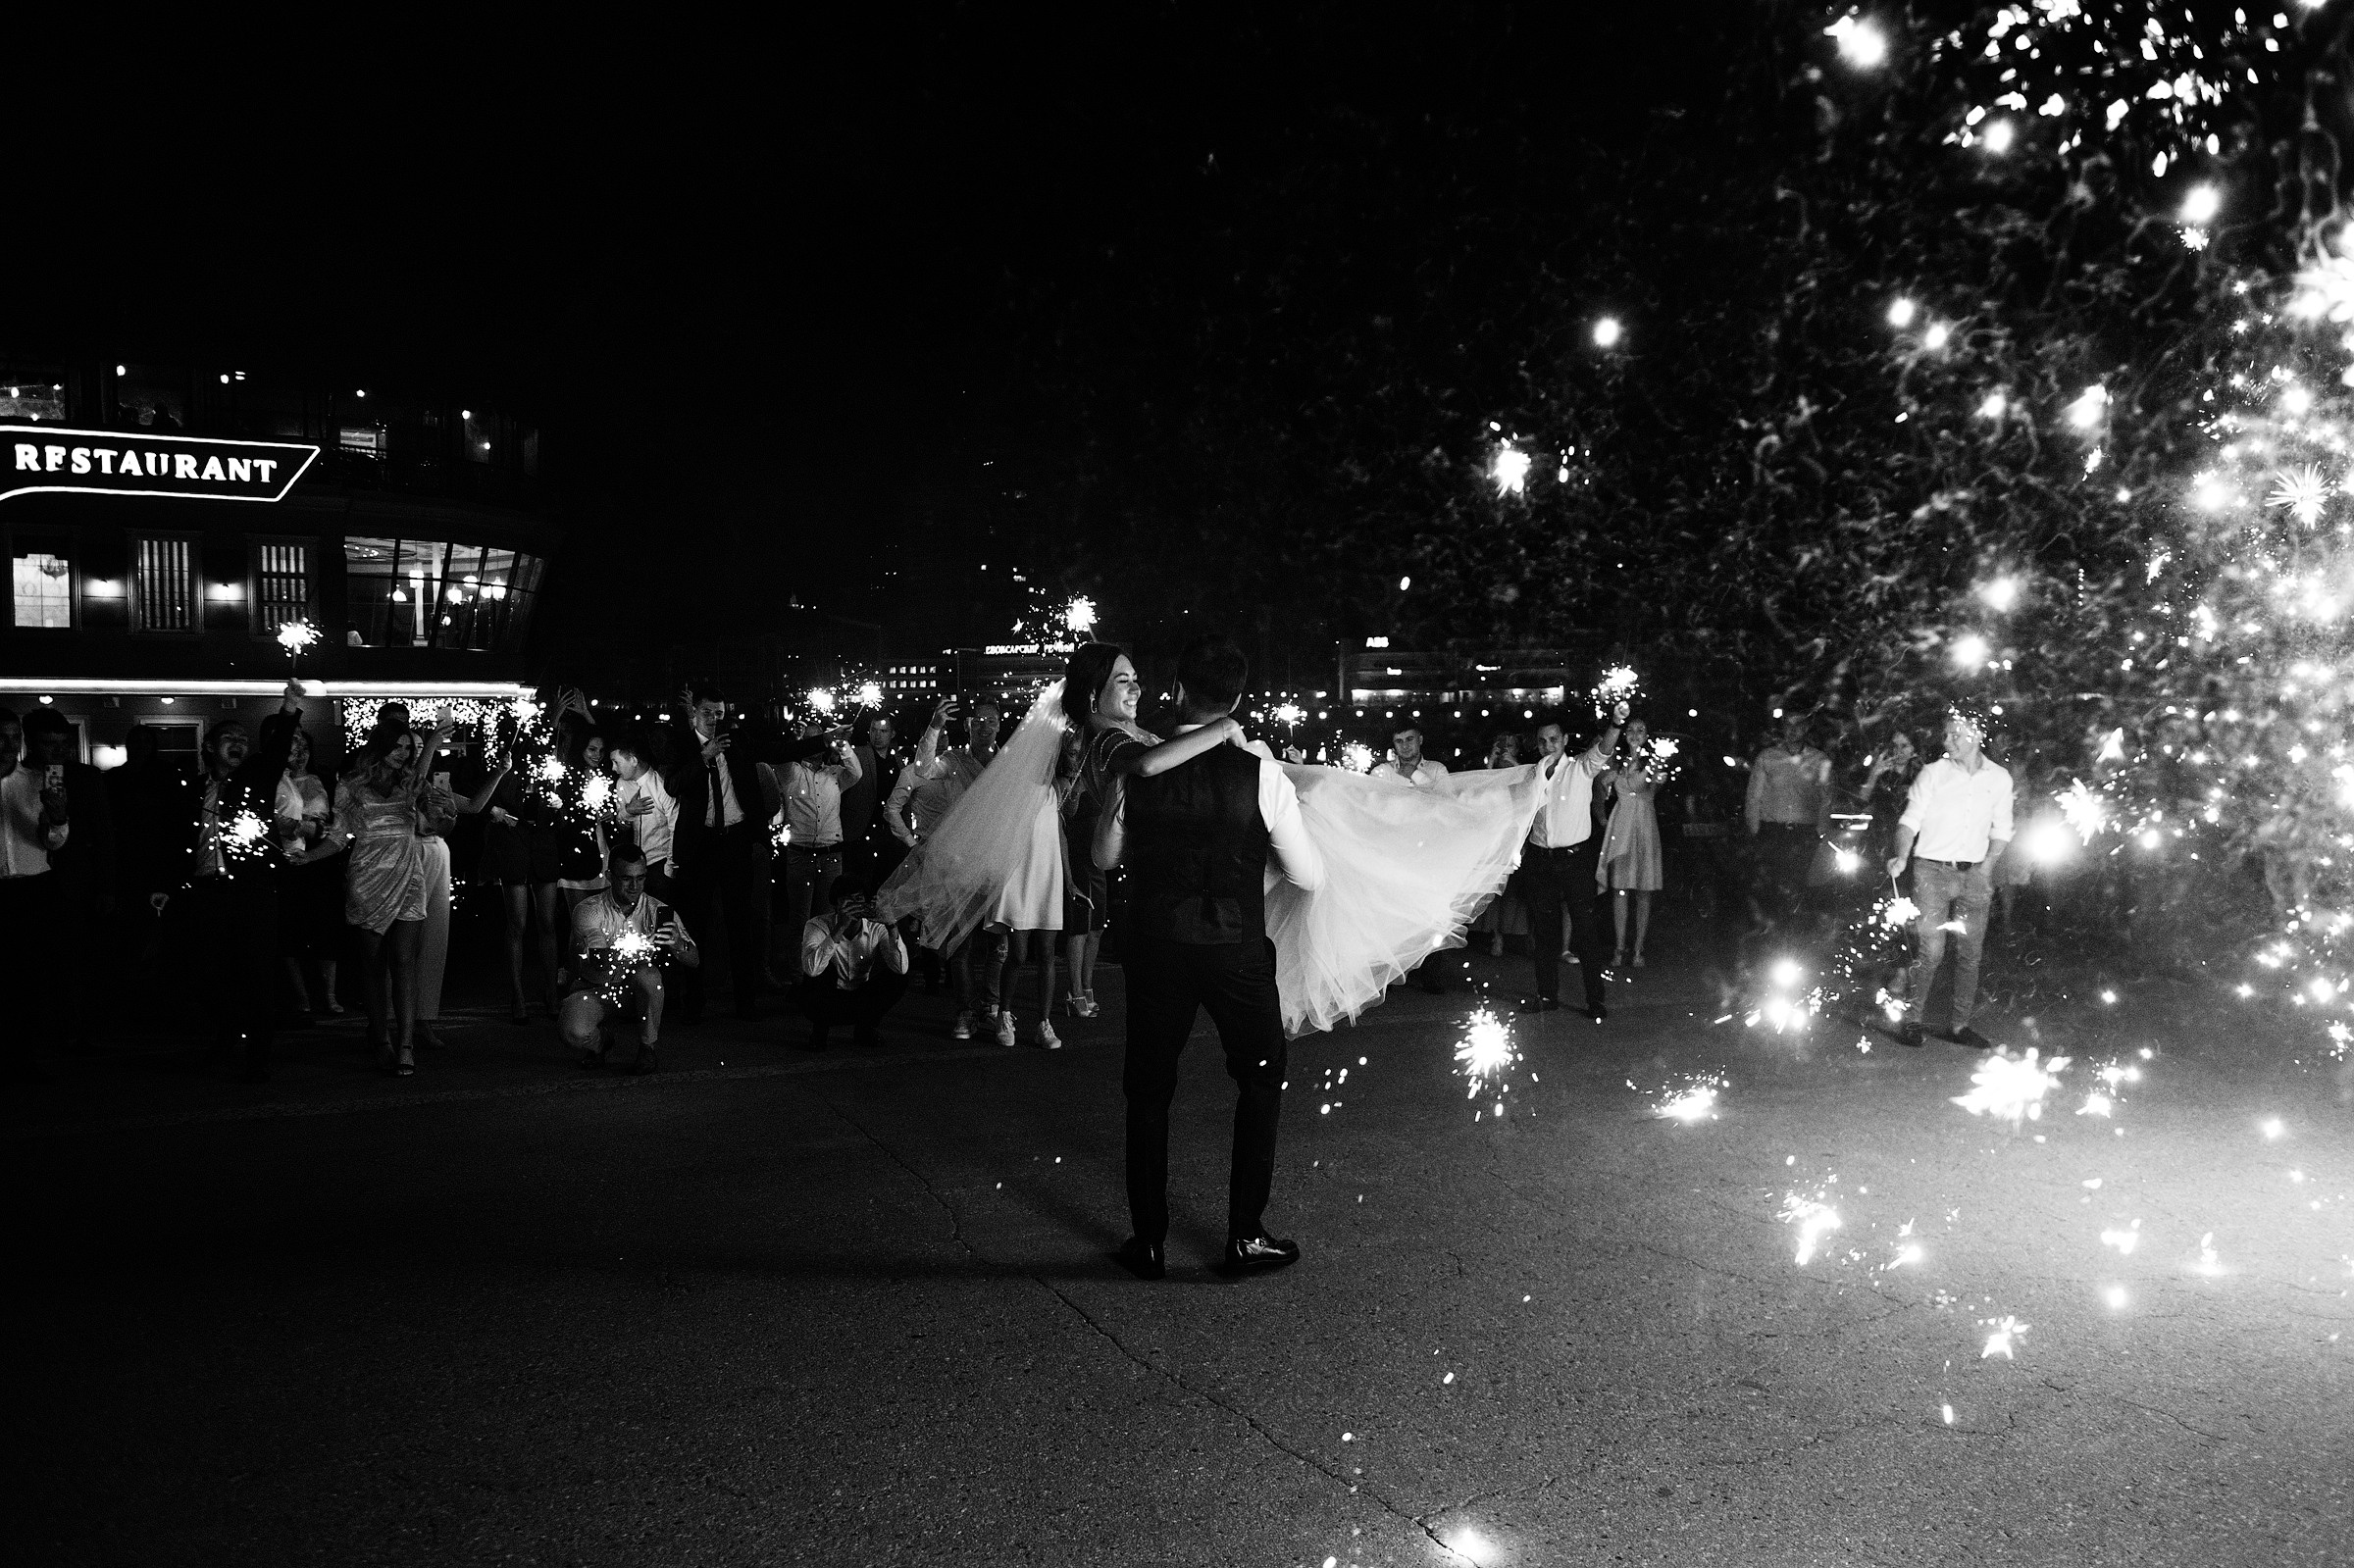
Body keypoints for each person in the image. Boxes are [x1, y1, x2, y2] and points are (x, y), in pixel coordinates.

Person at [1094, 637, 1326, 1281]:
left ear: (1177, 689)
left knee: (1148, 1089)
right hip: (1235, 949)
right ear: (1239, 698)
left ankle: (1148, 1241)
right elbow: (1307, 875)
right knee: (1259, 1078)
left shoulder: (1143, 762)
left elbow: (1107, 855)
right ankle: (1245, 1235)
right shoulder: (1261, 774)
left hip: (1155, 947)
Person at [150, 683, 309, 1081]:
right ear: (208, 748)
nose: (237, 744)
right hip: (206, 892)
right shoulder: (191, 789)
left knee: (256, 973)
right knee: (211, 972)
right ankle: (224, 1036)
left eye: (242, 739)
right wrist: (166, 885)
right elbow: (176, 841)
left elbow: (274, 752)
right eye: (228, 739)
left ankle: (257, 1054)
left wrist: (289, 711)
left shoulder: (255, 779)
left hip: (252, 892)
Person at [326, 709, 454, 1076]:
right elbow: (337, 836)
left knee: (404, 962)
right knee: (372, 966)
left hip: (407, 876)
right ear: (380, 746)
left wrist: (431, 746)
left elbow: (433, 818)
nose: (402, 753)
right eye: (396, 746)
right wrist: (307, 857)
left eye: (406, 748)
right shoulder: (351, 784)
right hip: (367, 878)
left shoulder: (411, 783)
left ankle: (406, 1045)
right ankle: (380, 1037)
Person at [1886, 706, 2014, 1049]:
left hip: (1974, 873)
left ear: (1977, 735)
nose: (1948, 740)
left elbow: (2002, 829)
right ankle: (1912, 1020)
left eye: (1955, 734)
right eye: (1946, 734)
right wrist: (1901, 853)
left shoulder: (1999, 778)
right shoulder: (1932, 773)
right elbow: (1909, 820)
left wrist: (1986, 867)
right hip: (1932, 870)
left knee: (1970, 953)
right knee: (1932, 951)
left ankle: (1960, 1025)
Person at [665, 682, 785, 1023]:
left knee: (740, 923)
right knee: (695, 925)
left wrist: (821, 741)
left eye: (719, 713)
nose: (714, 719)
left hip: (735, 841)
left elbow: (776, 750)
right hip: (699, 845)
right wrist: (703, 757)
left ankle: (745, 1001)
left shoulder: (737, 741)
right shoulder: (683, 745)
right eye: (707, 713)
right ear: (694, 712)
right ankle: (694, 1000)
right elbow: (673, 785)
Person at [22, 707, 117, 1048]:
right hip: (29, 881)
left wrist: (106, 886)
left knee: (77, 959)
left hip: (76, 881)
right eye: (49, 744)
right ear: (31, 743)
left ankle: (78, 1029)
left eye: (63, 743)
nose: (58, 751)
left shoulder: (86, 777)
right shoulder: (19, 777)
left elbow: (104, 834)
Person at [1519, 707, 1622, 1019]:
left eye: (1554, 739)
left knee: (1585, 931)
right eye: (1542, 741)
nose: (1548, 745)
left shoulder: (1580, 768)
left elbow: (1603, 750)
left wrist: (1616, 723)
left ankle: (1595, 1000)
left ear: (1564, 740)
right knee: (1545, 932)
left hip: (1575, 861)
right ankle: (1547, 994)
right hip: (1541, 860)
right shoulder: (1532, 775)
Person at [560, 844, 697, 1075]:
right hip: (596, 988)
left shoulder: (657, 910)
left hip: (635, 991)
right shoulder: (588, 910)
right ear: (610, 876)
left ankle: (647, 1047)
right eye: (626, 879)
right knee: (572, 1031)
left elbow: (694, 960)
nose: (635, 886)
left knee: (650, 976)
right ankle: (601, 1042)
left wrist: (678, 945)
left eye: (640, 878)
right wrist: (628, 949)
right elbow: (599, 963)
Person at [0, 706, 75, 1080]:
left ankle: (23, 1057)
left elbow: (54, 843)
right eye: (1, 737)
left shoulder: (38, 781)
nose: (7, 745)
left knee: (28, 976)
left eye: (13, 737)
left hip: (32, 889)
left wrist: (58, 817)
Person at [775, 722, 862, 973]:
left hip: (831, 854)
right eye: (812, 740)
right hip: (800, 855)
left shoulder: (834, 773)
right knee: (800, 921)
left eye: (820, 739)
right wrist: (798, 740)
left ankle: (823, 974)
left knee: (829, 919)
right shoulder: (790, 772)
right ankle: (799, 976)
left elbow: (856, 773)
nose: (816, 744)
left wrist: (841, 741)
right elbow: (782, 758)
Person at [273, 726, 345, 1017]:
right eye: (294, 746)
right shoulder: (276, 781)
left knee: (325, 930)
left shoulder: (323, 780)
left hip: (320, 861)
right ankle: (301, 996)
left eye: (305, 746)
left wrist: (319, 836)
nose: (300, 753)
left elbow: (338, 823)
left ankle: (329, 994)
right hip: (286, 860)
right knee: (289, 931)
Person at [793, 874, 910, 1049]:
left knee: (898, 977)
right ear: (835, 904)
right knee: (822, 967)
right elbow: (811, 970)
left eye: (858, 900)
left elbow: (900, 969)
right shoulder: (817, 925)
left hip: (861, 995)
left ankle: (865, 1029)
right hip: (828, 997)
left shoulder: (875, 927)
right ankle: (820, 1030)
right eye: (847, 901)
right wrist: (840, 927)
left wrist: (892, 926)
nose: (853, 906)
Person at [1745, 713, 1832, 935]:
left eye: (1798, 725)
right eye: (1788, 725)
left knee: (1800, 886)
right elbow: (1754, 796)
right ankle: (1771, 935)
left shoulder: (1819, 760)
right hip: (1773, 831)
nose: (1793, 730)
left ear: (1806, 728)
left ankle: (1795, 937)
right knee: (1771, 887)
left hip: (1804, 833)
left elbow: (1826, 797)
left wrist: (1820, 831)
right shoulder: (1767, 757)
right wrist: (1756, 830)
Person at [1596, 719, 1666, 970]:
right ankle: (1619, 947)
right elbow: (1601, 786)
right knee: (1620, 889)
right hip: (1621, 825)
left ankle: (1638, 948)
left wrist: (1643, 759)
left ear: (1647, 735)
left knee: (1643, 890)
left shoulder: (1654, 760)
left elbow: (1652, 785)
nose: (1635, 734)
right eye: (1631, 731)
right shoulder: (1617, 761)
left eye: (1640, 731)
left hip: (1643, 826)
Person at [1472, 733, 1529, 957]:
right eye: (1501, 745)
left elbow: (1528, 793)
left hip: (1516, 835)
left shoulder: (1523, 769)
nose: (1506, 749)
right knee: (1493, 887)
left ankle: (1517, 935)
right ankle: (1494, 933)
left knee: (1515, 892)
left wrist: (1514, 764)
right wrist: (1491, 764)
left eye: (1511, 746)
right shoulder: (1490, 773)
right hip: (1493, 837)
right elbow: (1481, 796)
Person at [610, 735, 680, 898]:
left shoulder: (661, 784)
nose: (613, 768)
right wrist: (628, 811)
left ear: (633, 760)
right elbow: (621, 825)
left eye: (617, 762)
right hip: (634, 864)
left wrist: (670, 868)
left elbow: (675, 826)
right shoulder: (621, 784)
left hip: (660, 862)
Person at [1381, 723, 1450, 788]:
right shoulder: (1383, 772)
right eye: (1399, 741)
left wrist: (1415, 774)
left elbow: (1446, 797)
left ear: (1420, 740)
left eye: (1409, 739)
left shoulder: (1437, 769)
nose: (1405, 746)